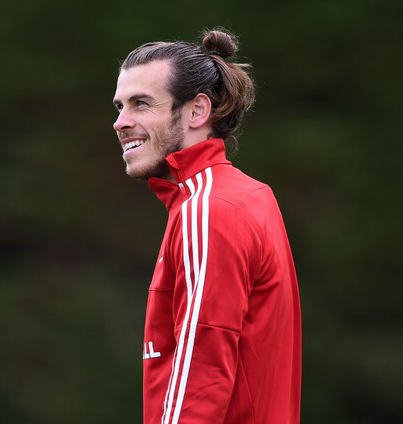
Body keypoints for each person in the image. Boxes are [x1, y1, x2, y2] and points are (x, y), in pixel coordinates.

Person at [112, 28, 302, 423]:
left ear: (197, 111)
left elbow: (199, 375)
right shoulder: (244, 196)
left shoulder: (208, 210)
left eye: (141, 104)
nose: (120, 122)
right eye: (120, 107)